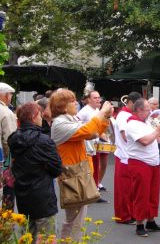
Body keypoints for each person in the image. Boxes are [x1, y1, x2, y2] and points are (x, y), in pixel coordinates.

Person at [50, 89, 112, 240]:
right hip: (71, 174)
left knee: (78, 217)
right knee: (74, 219)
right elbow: (88, 130)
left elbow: (94, 133)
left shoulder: (69, 119)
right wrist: (101, 112)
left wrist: (106, 116)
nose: (76, 102)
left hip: (78, 172)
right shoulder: (60, 123)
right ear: (63, 106)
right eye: (72, 101)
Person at [8, 102, 63, 240]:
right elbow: (57, 169)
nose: (41, 118)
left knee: (27, 236)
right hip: (43, 196)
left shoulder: (14, 139)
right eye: (39, 115)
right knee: (47, 237)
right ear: (33, 117)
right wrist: (44, 166)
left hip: (23, 195)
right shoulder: (44, 141)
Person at [125, 98, 160, 237]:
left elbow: (157, 139)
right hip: (140, 163)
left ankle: (150, 221)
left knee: (152, 194)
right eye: (147, 109)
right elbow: (145, 141)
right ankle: (139, 224)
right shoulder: (132, 123)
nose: (150, 112)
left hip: (152, 163)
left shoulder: (146, 122)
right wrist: (158, 130)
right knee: (141, 195)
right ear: (138, 110)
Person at [113, 91, 141, 225]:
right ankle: (123, 216)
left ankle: (130, 214)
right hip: (124, 156)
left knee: (131, 189)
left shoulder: (129, 114)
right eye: (137, 105)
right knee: (124, 190)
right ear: (130, 103)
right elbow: (125, 136)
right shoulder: (123, 115)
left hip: (129, 156)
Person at [76, 90, 108, 201]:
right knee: (88, 169)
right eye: (95, 98)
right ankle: (87, 194)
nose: (98, 99)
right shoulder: (85, 111)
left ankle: (93, 192)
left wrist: (102, 133)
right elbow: (77, 123)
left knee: (94, 168)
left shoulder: (97, 110)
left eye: (99, 97)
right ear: (88, 99)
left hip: (94, 143)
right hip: (86, 144)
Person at [0, 82, 17, 210]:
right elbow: (9, 141)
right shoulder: (6, 112)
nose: (11, 97)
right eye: (10, 94)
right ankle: (5, 224)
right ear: (5, 96)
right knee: (7, 191)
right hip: (4, 160)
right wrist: (10, 163)